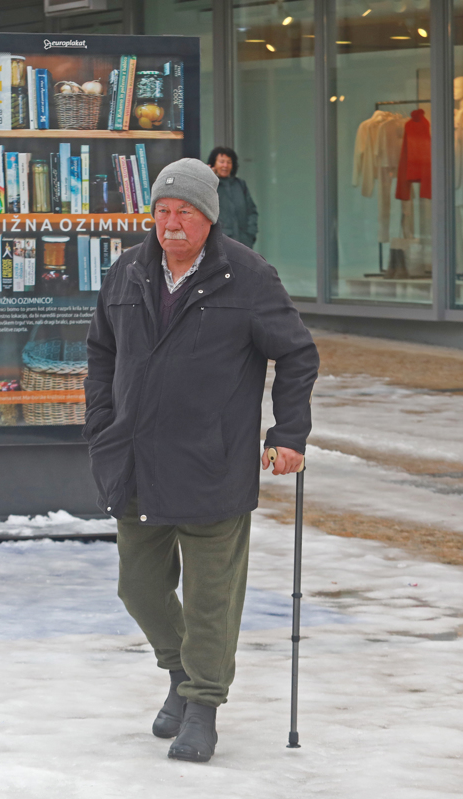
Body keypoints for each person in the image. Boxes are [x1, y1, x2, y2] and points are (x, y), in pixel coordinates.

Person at [84, 158, 318, 763]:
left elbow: (297, 355)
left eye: (184, 212)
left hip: (213, 462)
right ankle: (179, 675)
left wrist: (288, 432)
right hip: (136, 460)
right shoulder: (129, 272)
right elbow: (101, 352)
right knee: (138, 587)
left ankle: (203, 705)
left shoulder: (247, 277)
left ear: (209, 217)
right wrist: (101, 423)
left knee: (211, 597)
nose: (171, 223)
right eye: (162, 211)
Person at [207, 146, 258, 249]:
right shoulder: (210, 186)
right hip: (219, 243)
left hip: (243, 242)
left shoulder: (240, 185)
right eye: (222, 162)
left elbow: (251, 211)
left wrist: (250, 235)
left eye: (229, 162)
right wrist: (208, 177)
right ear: (213, 164)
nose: (225, 165)